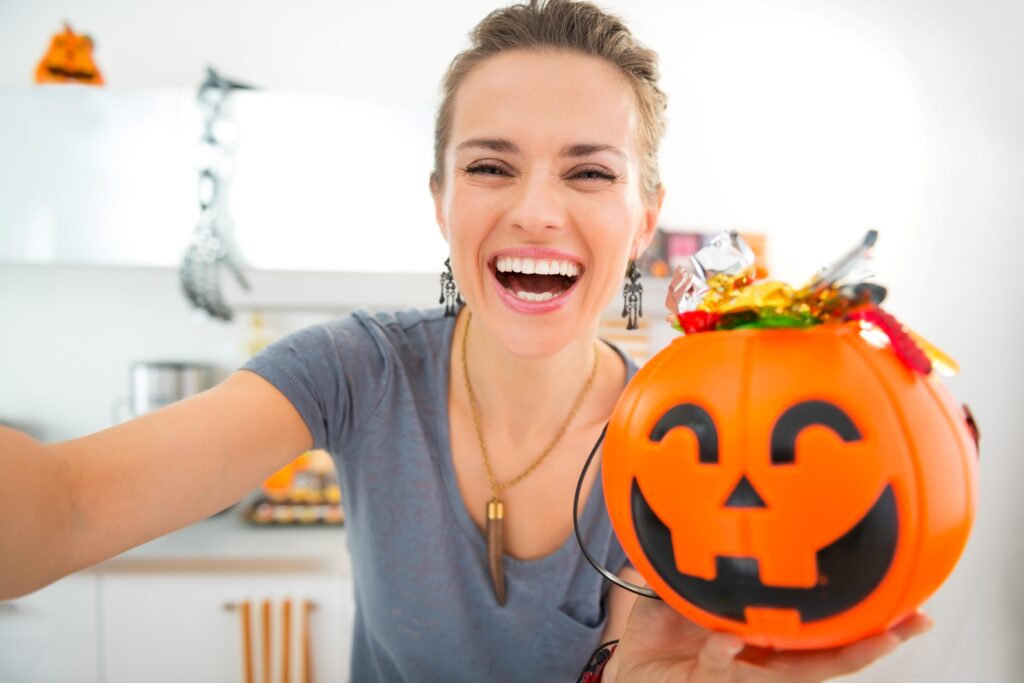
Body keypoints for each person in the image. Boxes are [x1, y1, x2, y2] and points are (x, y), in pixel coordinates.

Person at [0, 1, 930, 681]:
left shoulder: (686, 431)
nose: (534, 209)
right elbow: (72, 504)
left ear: (645, 215)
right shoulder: (354, 369)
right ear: (441, 199)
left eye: (588, 171)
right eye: (490, 165)